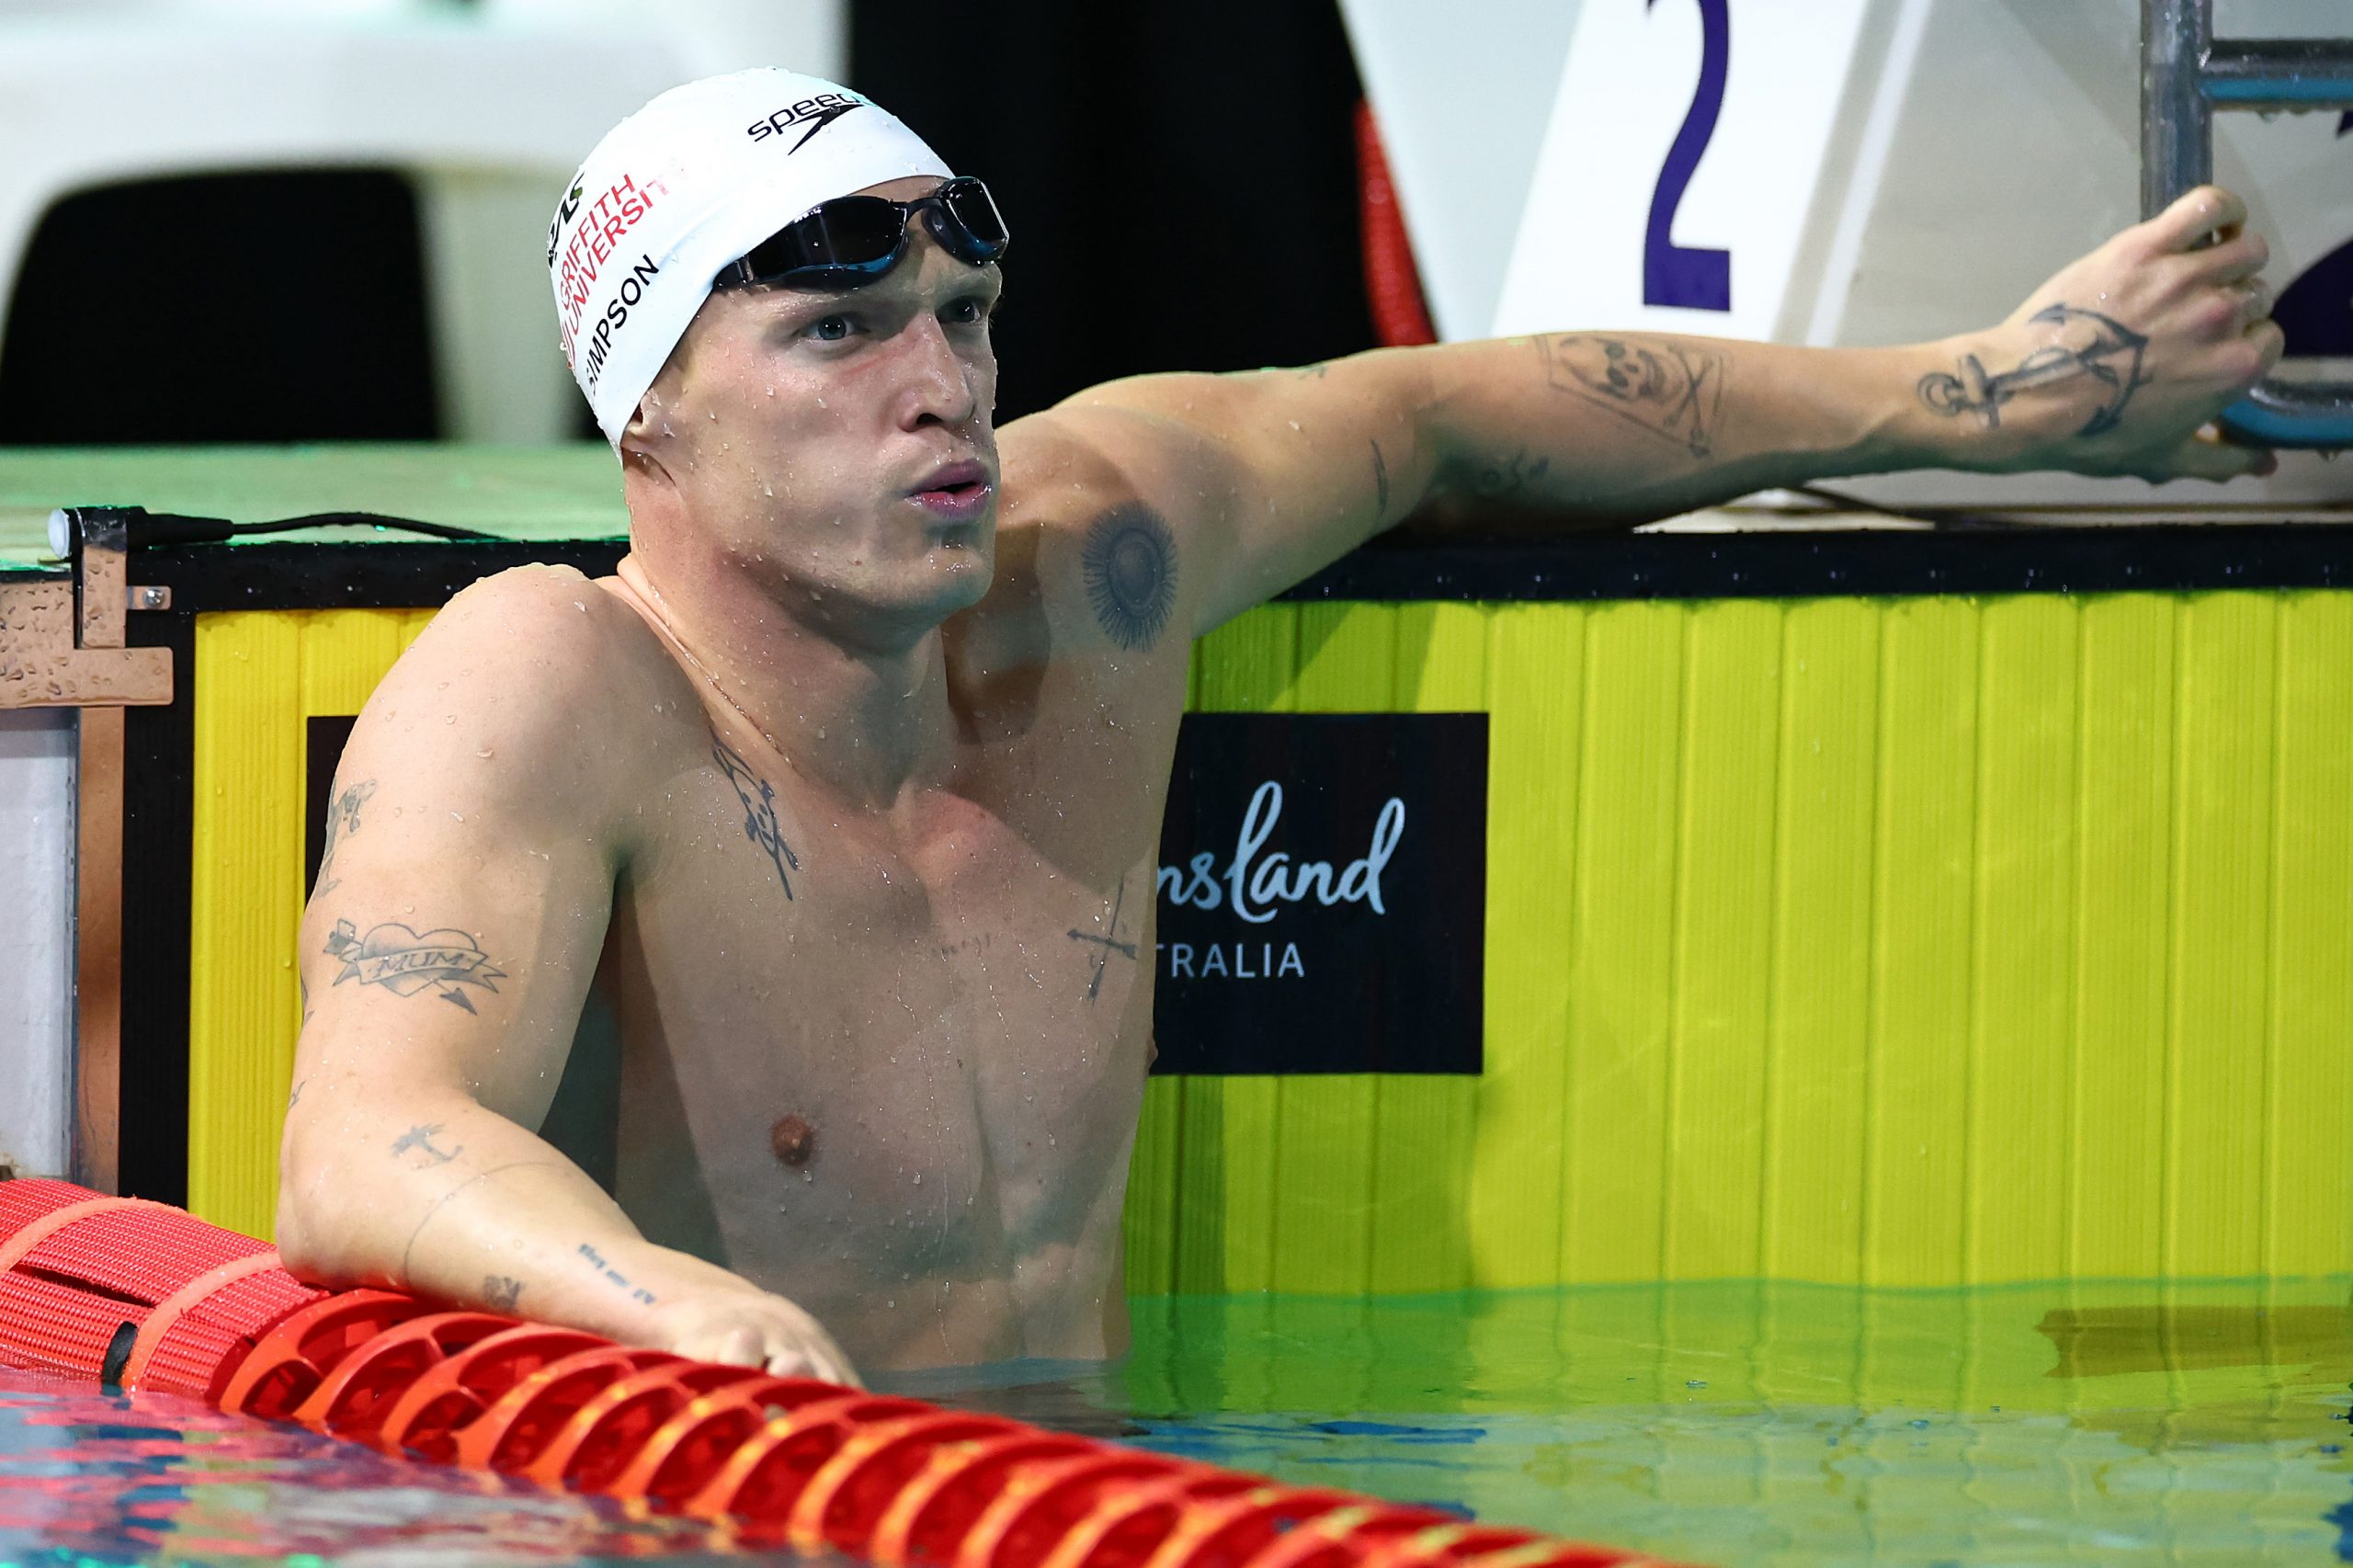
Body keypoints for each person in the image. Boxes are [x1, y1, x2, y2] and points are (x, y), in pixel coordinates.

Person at [276, 68, 2283, 1386]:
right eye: (836, 329)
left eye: (963, 315)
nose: (941, 380)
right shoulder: (552, 679)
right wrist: (687, 1313)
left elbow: (1434, 410)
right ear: (646, 412)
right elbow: (369, 1136)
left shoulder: (1094, 570)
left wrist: (1988, 392)